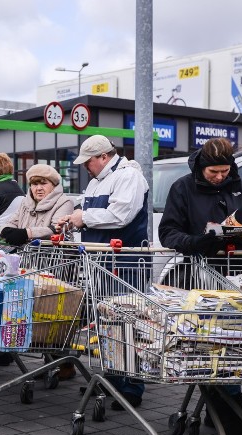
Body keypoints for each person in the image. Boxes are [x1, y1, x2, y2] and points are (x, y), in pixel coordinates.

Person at [159, 137, 242, 435]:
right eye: (214, 173)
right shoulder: (183, 187)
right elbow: (168, 233)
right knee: (213, 345)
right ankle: (230, 415)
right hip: (201, 276)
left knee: (236, 343)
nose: (220, 177)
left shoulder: (238, 185)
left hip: (238, 273)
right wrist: (202, 240)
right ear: (201, 167)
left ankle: (219, 408)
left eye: (224, 171)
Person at [56, 135, 149, 410]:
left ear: (104, 157)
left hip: (125, 261)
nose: (86, 167)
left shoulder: (128, 176)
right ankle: (113, 379)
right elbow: (92, 214)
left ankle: (131, 386)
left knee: (127, 323)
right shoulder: (98, 180)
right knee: (107, 322)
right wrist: (74, 220)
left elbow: (121, 215)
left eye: (88, 161)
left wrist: (82, 217)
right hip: (102, 260)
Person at [0, 164, 74, 246]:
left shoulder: (64, 202)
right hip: (25, 254)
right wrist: (5, 230)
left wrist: (27, 233)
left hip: (53, 255)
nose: (39, 188)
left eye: (43, 183)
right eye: (35, 184)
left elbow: (56, 229)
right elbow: (11, 222)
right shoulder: (25, 202)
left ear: (54, 185)